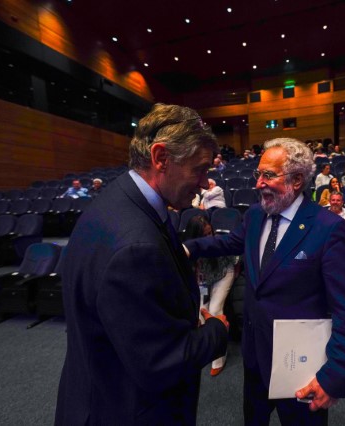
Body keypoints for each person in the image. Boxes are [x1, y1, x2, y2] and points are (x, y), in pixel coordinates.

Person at [55, 103, 229, 426]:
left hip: (97, 391)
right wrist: (217, 331)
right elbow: (160, 362)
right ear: (161, 158)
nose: (206, 184)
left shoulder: (115, 201)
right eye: (200, 169)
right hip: (126, 410)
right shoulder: (135, 246)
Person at [185, 138, 345, 425]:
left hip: (300, 366)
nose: (258, 184)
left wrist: (336, 376)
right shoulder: (255, 214)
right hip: (255, 356)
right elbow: (231, 242)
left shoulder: (328, 228)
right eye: (259, 175)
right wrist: (188, 248)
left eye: (268, 175)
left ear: (296, 180)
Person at [183, 215, 239, 376]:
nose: (210, 238)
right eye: (205, 235)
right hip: (204, 282)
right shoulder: (189, 249)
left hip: (223, 274)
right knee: (201, 312)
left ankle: (219, 356)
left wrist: (234, 275)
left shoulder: (218, 241)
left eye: (210, 233)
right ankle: (207, 350)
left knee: (215, 310)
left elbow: (235, 259)